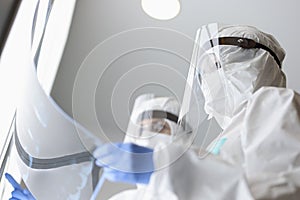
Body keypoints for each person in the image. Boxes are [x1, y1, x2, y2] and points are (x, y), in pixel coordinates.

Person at [94, 24, 300, 200]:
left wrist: (166, 169)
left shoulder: (275, 103)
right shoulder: (222, 140)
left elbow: (282, 188)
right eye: (202, 73)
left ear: (250, 60)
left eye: (213, 66)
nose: (205, 81)